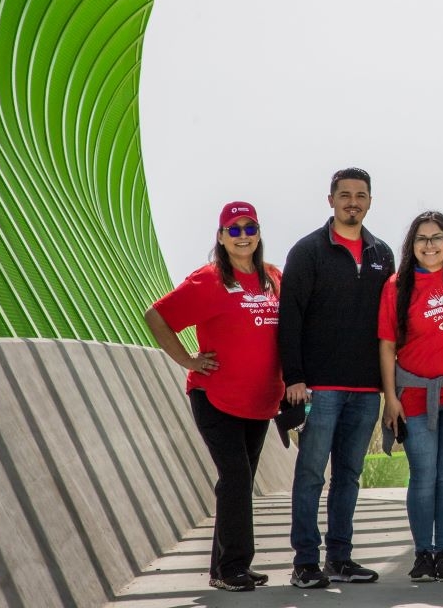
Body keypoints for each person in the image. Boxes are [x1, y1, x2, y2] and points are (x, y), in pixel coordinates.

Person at [144, 201, 283, 592]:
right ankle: (232, 567)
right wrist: (186, 359)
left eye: (249, 227)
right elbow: (156, 316)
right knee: (236, 478)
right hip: (215, 398)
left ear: (258, 233)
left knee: (240, 481)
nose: (243, 235)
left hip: (259, 400)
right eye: (233, 229)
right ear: (221, 237)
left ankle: (225, 566)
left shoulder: (273, 278)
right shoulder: (208, 280)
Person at [278, 168, 395, 588]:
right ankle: (305, 562)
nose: (353, 202)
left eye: (360, 195)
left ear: (369, 201)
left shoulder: (383, 253)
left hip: (366, 389)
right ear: (330, 200)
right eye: (344, 195)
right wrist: (294, 378)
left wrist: (389, 389)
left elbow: (389, 327)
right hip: (320, 388)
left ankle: (340, 559)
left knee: (348, 476)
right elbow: (288, 319)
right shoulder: (308, 251)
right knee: (311, 473)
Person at [378, 211, 443, 582]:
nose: (430, 244)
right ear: (412, 245)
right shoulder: (397, 285)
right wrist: (390, 398)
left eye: (438, 237)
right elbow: (387, 343)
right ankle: (423, 553)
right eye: (422, 238)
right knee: (423, 476)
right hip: (415, 397)